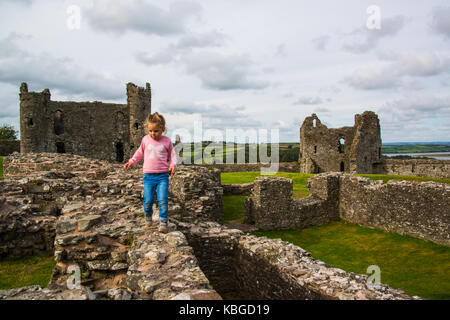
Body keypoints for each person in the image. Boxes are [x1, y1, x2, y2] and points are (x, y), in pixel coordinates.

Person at [123, 112, 177, 233]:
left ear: (163, 129)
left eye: (156, 131)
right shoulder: (145, 140)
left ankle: (163, 221)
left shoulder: (167, 141)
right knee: (148, 200)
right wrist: (131, 161)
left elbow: (172, 155)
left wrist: (173, 165)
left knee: (162, 199)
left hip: (163, 175)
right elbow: (139, 152)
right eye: (150, 131)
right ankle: (148, 216)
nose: (153, 134)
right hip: (148, 176)